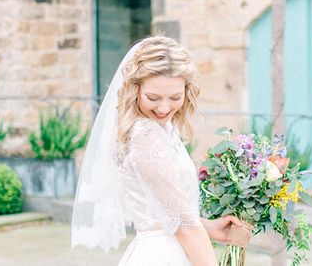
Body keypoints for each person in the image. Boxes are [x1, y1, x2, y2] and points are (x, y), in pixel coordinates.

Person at [72, 36, 244, 265]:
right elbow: (183, 226)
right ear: (135, 90)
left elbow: (166, 212)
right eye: (153, 98)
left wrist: (210, 227)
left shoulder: (160, 129)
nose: (164, 108)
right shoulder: (145, 135)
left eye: (175, 97)